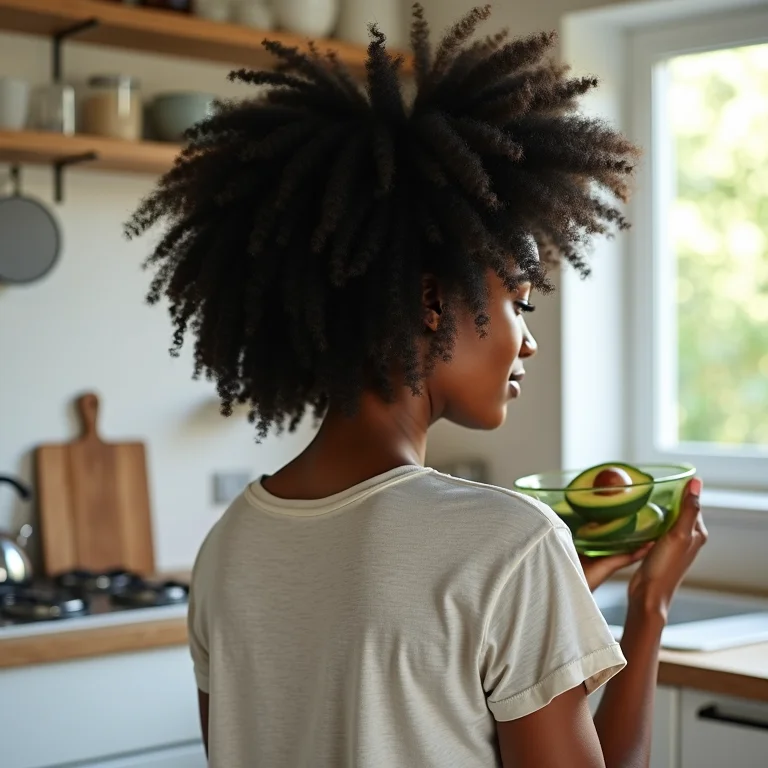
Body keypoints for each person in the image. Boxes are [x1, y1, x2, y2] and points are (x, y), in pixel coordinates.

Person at [128, 5, 708, 767]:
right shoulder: (512, 544)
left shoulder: (228, 546)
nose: (527, 338)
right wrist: (649, 607)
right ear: (434, 300)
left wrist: (565, 597)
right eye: (519, 304)